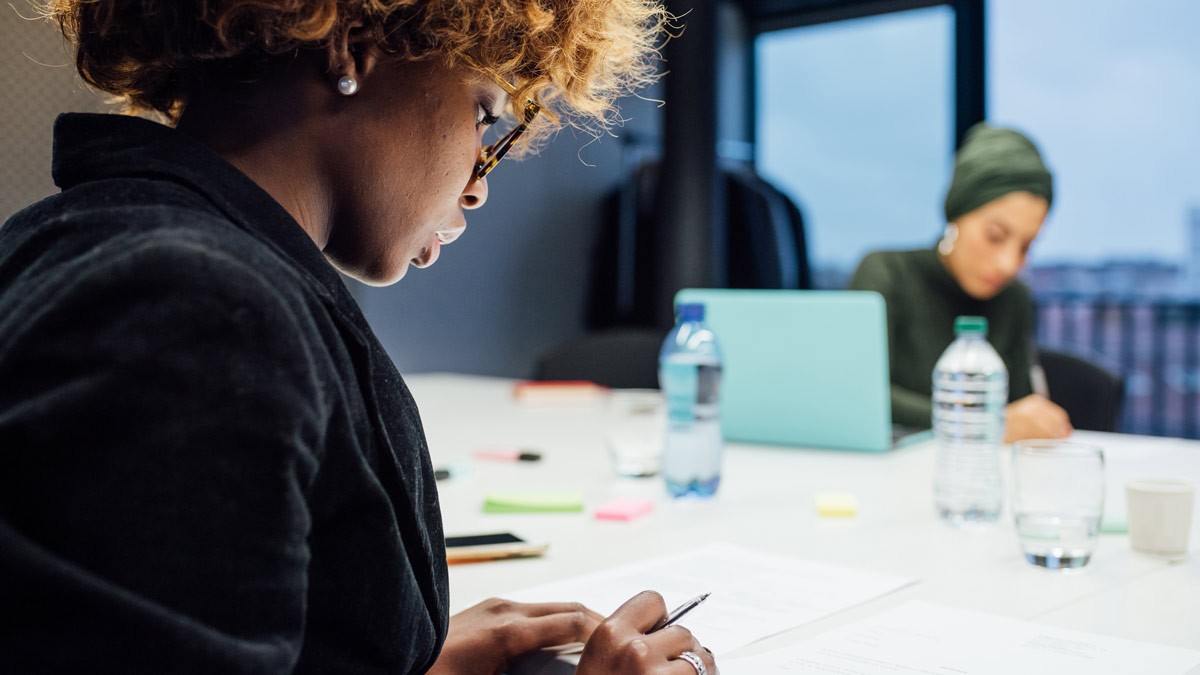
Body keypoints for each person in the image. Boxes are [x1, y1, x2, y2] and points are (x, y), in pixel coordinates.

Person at [0, 2, 719, 674]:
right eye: (483, 114)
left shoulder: (113, 243)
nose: (478, 186)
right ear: (353, 48)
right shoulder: (196, 309)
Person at [849, 123, 1073, 443]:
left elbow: (1019, 413)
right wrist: (981, 423)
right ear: (956, 214)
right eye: (994, 236)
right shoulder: (887, 273)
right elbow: (860, 396)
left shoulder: (1014, 299)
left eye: (1026, 246)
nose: (1009, 264)